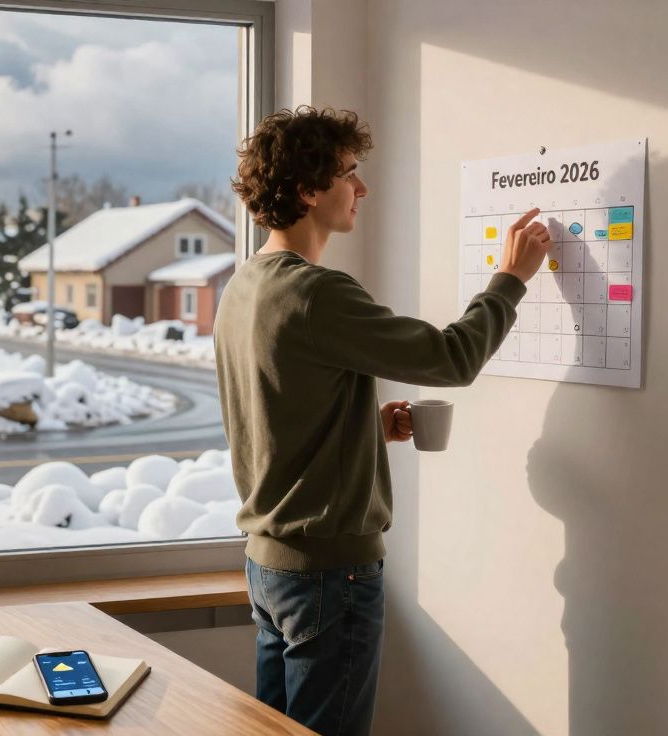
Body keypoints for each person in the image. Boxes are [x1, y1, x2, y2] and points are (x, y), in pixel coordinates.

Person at [213, 106, 551, 735]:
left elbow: (274, 416)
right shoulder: (316, 293)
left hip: (270, 570)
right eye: (348, 173)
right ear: (309, 189)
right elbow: (454, 358)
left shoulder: (242, 288)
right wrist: (509, 279)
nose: (361, 188)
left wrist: (365, 427)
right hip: (328, 575)